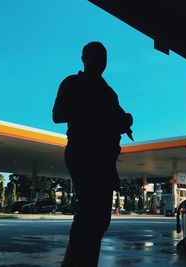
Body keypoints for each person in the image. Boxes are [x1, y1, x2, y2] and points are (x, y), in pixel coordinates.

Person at [52, 42, 133, 267]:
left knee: (101, 218)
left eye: (103, 57)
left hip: (105, 160)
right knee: (89, 212)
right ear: (84, 58)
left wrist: (125, 120)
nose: (100, 61)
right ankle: (74, 261)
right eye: (95, 56)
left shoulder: (109, 92)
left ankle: (87, 260)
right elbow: (57, 115)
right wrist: (88, 107)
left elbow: (118, 119)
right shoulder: (72, 83)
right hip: (83, 153)